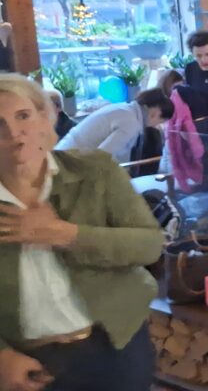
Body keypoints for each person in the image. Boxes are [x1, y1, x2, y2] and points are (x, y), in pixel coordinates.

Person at [0, 73, 164, 391]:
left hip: (116, 344)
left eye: (22, 115)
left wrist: (64, 234)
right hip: (30, 364)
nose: (13, 132)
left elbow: (150, 245)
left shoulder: (95, 171)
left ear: (44, 117)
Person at [56, 88, 173, 164]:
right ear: (155, 113)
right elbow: (102, 156)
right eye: (161, 121)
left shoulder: (125, 109)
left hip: (65, 155)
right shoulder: (130, 122)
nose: (157, 125)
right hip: (70, 162)